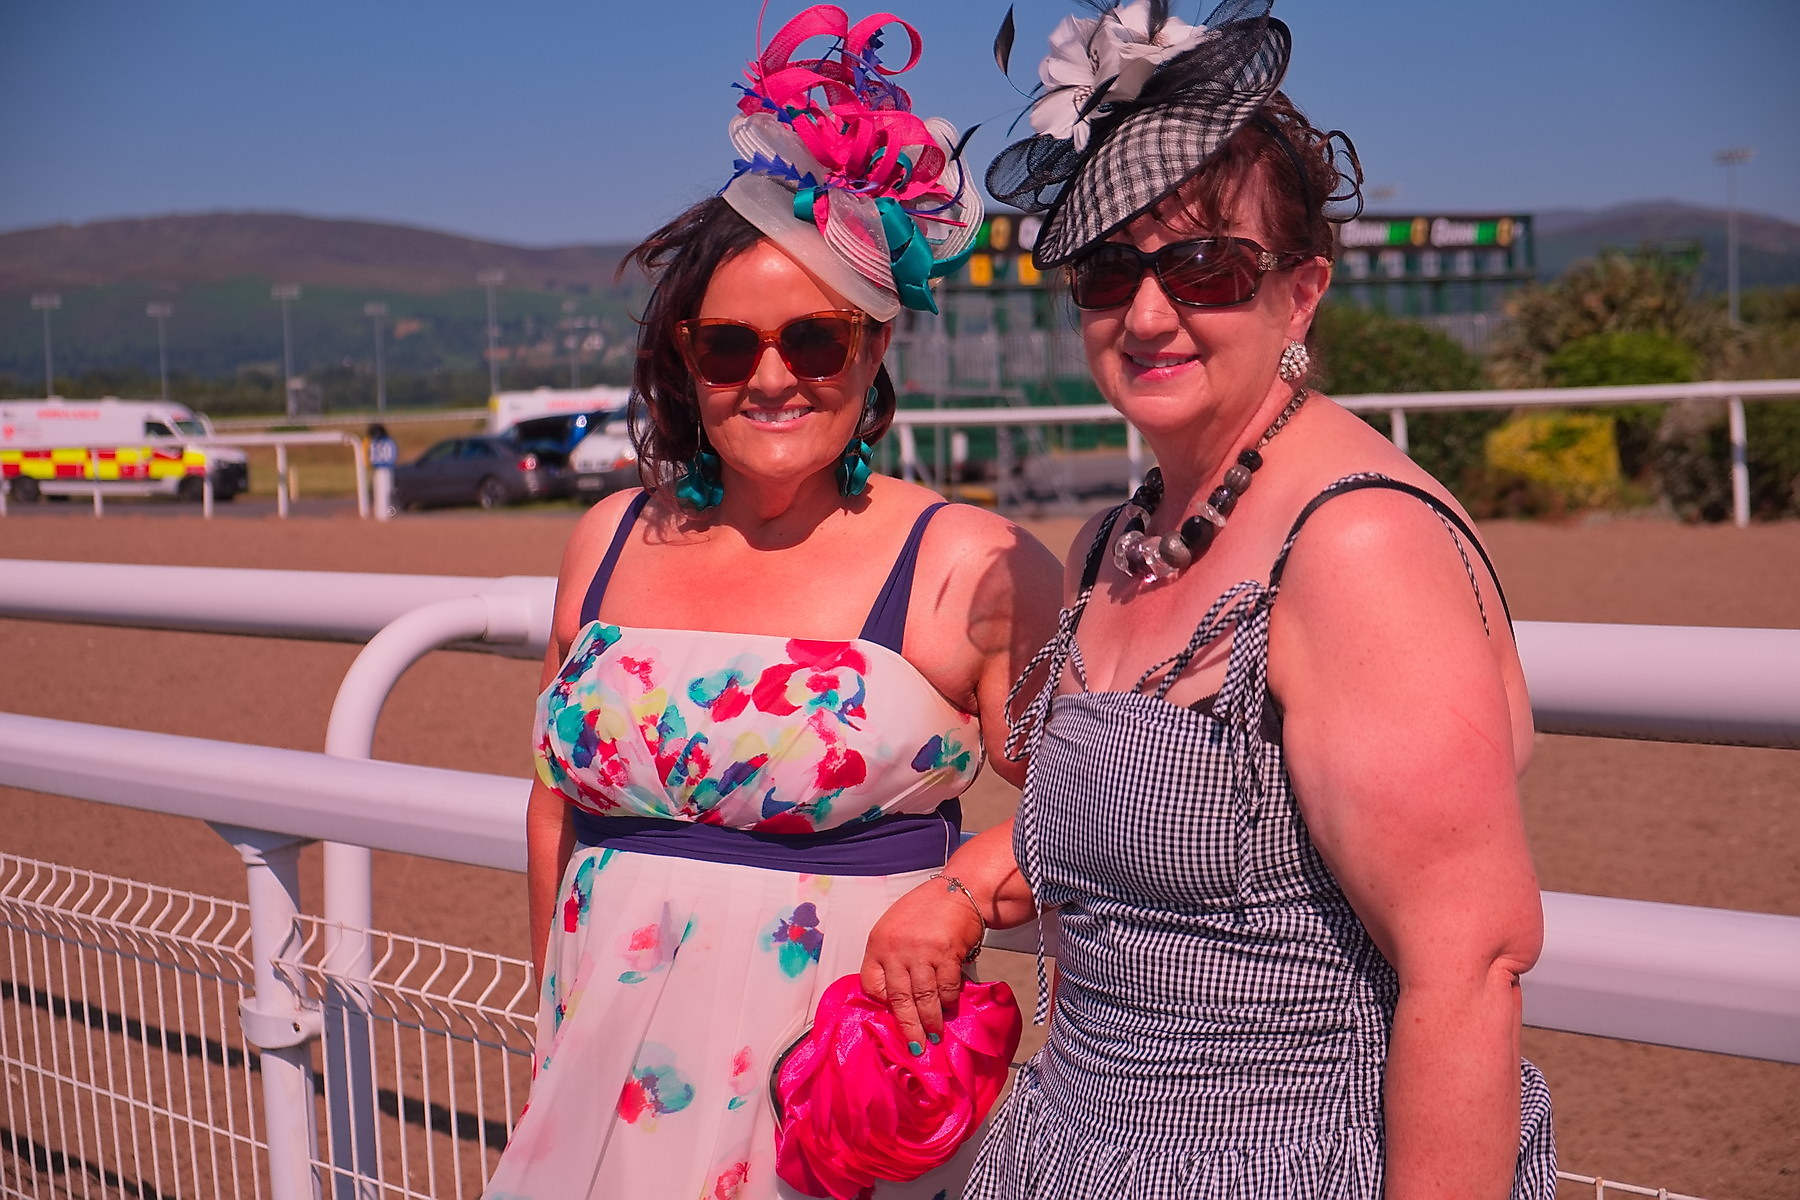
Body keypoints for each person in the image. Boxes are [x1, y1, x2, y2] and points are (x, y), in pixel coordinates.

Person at [860, 2, 1557, 1197]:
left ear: (1303, 293)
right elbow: (1142, 834)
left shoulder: (1356, 546)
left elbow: (1472, 963)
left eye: (1205, 267)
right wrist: (966, 882)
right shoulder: (1110, 544)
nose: (1145, 312)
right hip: (1065, 1150)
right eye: (1105, 271)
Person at [480, 8, 1061, 1199]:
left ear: (875, 345)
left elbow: (1101, 813)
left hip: (832, 1100)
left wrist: (955, 898)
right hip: (597, 1081)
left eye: (815, 338)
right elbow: (555, 807)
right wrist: (554, 1023)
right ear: (682, 362)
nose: (774, 376)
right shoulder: (605, 539)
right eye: (728, 347)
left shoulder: (974, 563)